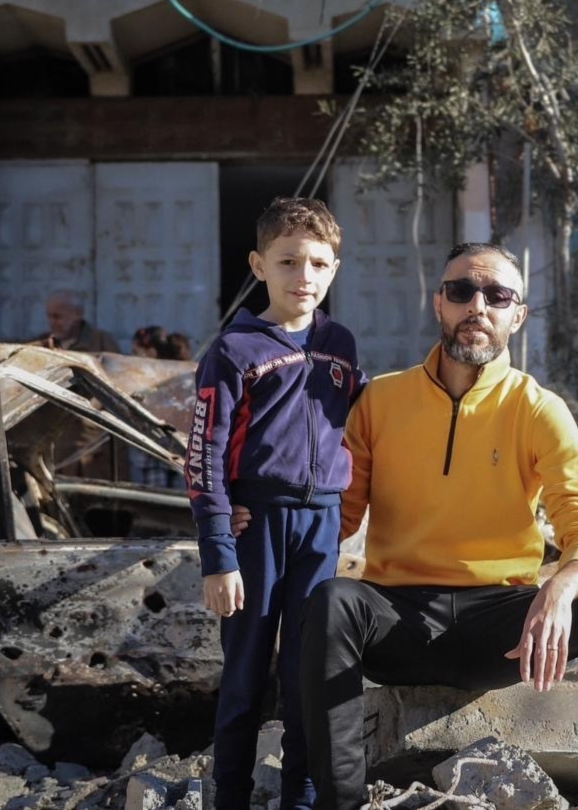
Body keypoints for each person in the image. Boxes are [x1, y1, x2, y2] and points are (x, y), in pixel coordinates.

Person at [297, 243, 578, 810]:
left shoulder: (538, 408)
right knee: (333, 600)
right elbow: (337, 516)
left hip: (502, 629)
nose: (477, 306)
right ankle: (339, 802)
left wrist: (561, 587)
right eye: (461, 291)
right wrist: (253, 521)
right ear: (439, 303)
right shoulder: (380, 401)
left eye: (497, 295)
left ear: (518, 314)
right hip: (399, 619)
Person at [187, 197, 365, 810]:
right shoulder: (235, 349)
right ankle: (229, 797)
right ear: (259, 265)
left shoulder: (340, 346)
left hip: (322, 526)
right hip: (255, 528)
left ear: (334, 269)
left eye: (319, 263)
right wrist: (218, 553)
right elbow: (203, 455)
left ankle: (303, 797)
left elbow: (363, 429)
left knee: (307, 679)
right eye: (289, 262)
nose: (304, 276)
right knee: (244, 678)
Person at [36, 290, 120, 353]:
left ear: (78, 314)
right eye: (49, 316)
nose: (52, 322)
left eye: (57, 317)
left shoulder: (102, 343)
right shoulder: (41, 343)